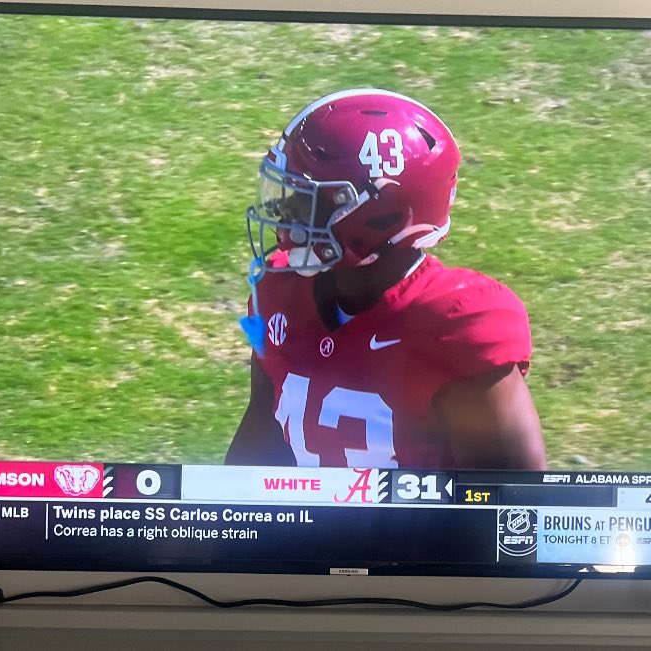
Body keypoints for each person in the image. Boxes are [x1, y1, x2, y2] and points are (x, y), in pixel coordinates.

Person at [225, 89, 546, 470]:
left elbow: (508, 504)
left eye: (305, 198)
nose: (283, 213)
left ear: (383, 217)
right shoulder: (278, 291)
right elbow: (258, 446)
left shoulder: (452, 326)